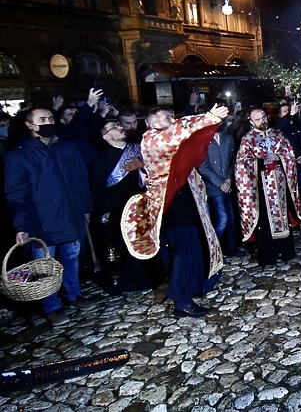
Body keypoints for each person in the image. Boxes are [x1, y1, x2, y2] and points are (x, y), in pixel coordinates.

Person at [120, 104, 229, 318]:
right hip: (172, 208)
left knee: (191, 251)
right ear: (152, 123)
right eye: (166, 118)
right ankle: (182, 301)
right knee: (184, 253)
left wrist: (206, 121)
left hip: (186, 204)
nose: (172, 120)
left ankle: (190, 290)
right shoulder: (151, 140)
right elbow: (174, 135)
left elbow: (188, 142)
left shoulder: (168, 134)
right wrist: (206, 119)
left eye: (172, 116)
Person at [5, 108, 94, 325]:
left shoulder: (66, 146)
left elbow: (81, 178)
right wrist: (21, 225)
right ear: (30, 125)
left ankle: (74, 294)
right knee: (44, 264)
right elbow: (16, 192)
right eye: (42, 119)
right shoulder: (19, 154)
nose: (48, 122)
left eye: (51, 118)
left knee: (71, 258)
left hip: (70, 214)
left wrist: (85, 207)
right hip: (41, 219)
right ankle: (52, 306)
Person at [91, 121, 162, 293]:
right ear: (106, 136)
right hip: (120, 209)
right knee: (128, 244)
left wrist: (143, 165)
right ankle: (135, 281)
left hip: (146, 204)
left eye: (118, 125)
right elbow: (98, 187)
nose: (119, 127)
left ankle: (157, 276)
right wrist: (105, 209)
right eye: (113, 127)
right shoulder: (101, 159)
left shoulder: (139, 149)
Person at [235, 108, 301, 267]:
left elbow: (290, 156)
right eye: (258, 119)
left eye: (263, 117)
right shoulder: (247, 139)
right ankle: (269, 255)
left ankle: (286, 252)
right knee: (265, 221)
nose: (262, 121)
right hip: (260, 186)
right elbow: (241, 164)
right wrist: (258, 162)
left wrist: (279, 157)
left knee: (283, 217)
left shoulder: (279, 135)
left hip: (280, 184)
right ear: (251, 122)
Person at [197, 118, 242, 257]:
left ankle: (230, 246)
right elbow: (203, 167)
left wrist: (229, 179)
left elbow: (233, 159)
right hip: (214, 187)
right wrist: (220, 183)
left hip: (227, 185)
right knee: (222, 218)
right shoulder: (203, 142)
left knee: (231, 217)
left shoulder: (227, 138)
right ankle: (213, 249)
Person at [274, 98, 301, 226]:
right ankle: (293, 216)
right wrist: (289, 116)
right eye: (285, 112)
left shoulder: (300, 124)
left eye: (289, 110)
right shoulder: (278, 128)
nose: (288, 113)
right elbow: (277, 130)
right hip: (286, 165)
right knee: (290, 192)